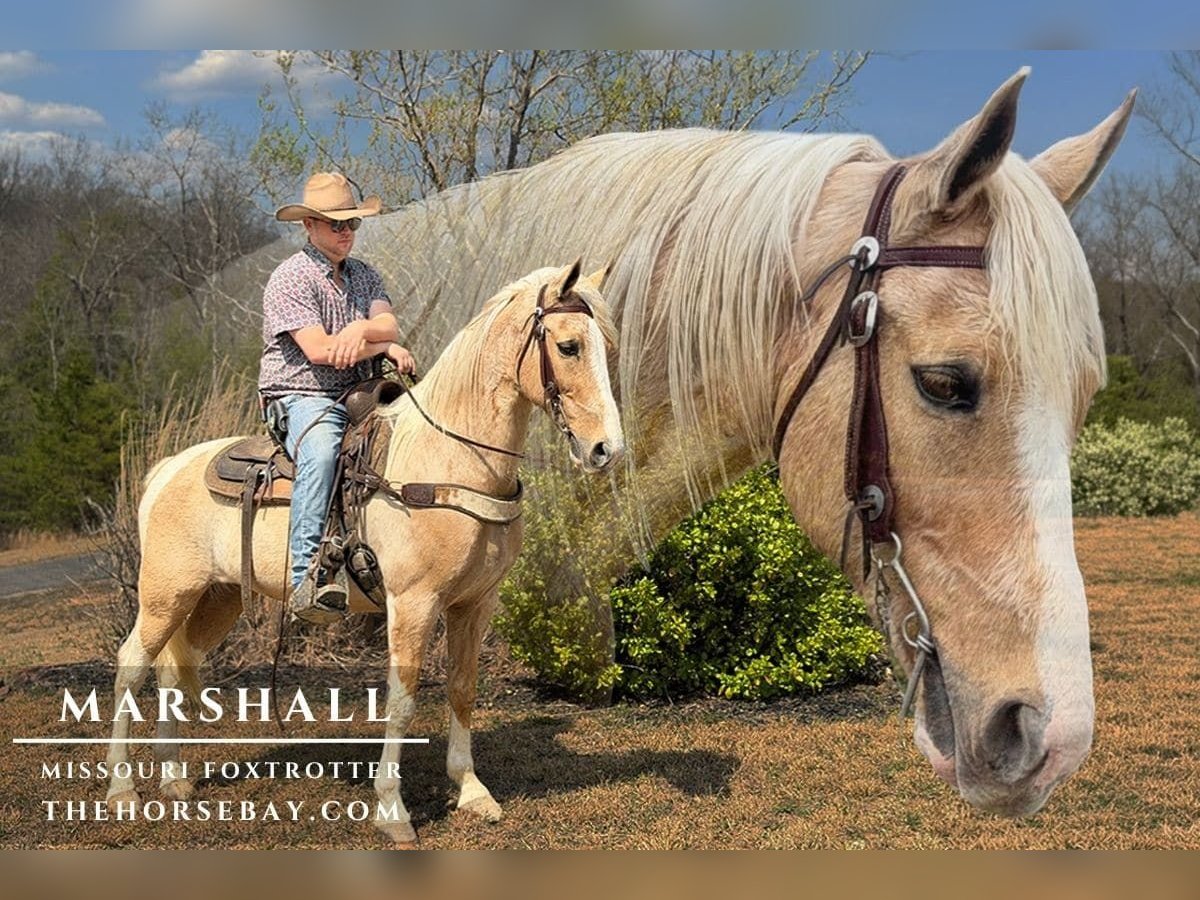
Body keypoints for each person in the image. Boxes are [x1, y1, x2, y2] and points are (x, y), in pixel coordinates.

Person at [258, 172, 416, 624]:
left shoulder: (365, 275)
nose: (346, 232)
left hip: (360, 392)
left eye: (352, 223)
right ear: (309, 225)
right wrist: (380, 346)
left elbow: (388, 325)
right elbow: (320, 352)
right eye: (335, 224)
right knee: (323, 451)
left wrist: (364, 330)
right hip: (302, 394)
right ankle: (306, 577)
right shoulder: (290, 278)